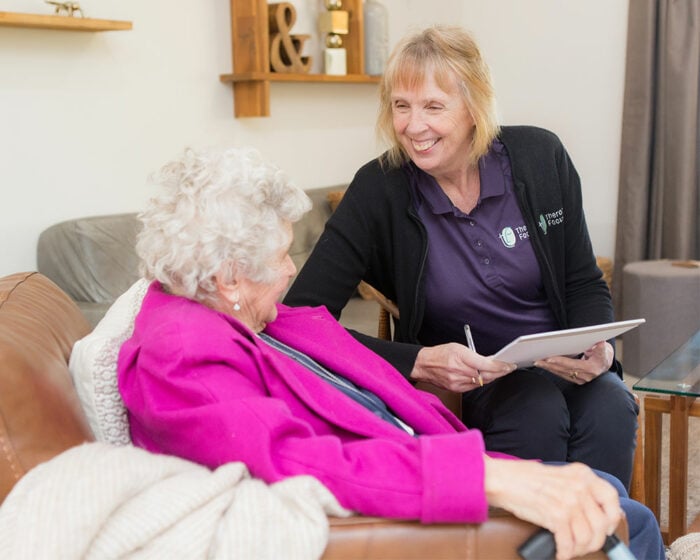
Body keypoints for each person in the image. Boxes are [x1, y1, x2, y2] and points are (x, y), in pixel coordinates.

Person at [117, 146, 663, 560]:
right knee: (625, 520)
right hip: (403, 500)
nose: (290, 270)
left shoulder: (232, 315)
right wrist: (492, 480)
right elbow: (298, 463)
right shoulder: (183, 355)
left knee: (605, 487)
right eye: (282, 255)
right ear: (228, 275)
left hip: (421, 457)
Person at [284, 25, 639, 488]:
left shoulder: (540, 157)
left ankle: (604, 544)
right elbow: (300, 320)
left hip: (560, 362)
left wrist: (599, 351)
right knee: (534, 407)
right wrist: (416, 360)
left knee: (611, 404)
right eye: (401, 106)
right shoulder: (380, 189)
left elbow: (581, 281)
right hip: (475, 383)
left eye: (434, 106)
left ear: (475, 106)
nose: (414, 126)